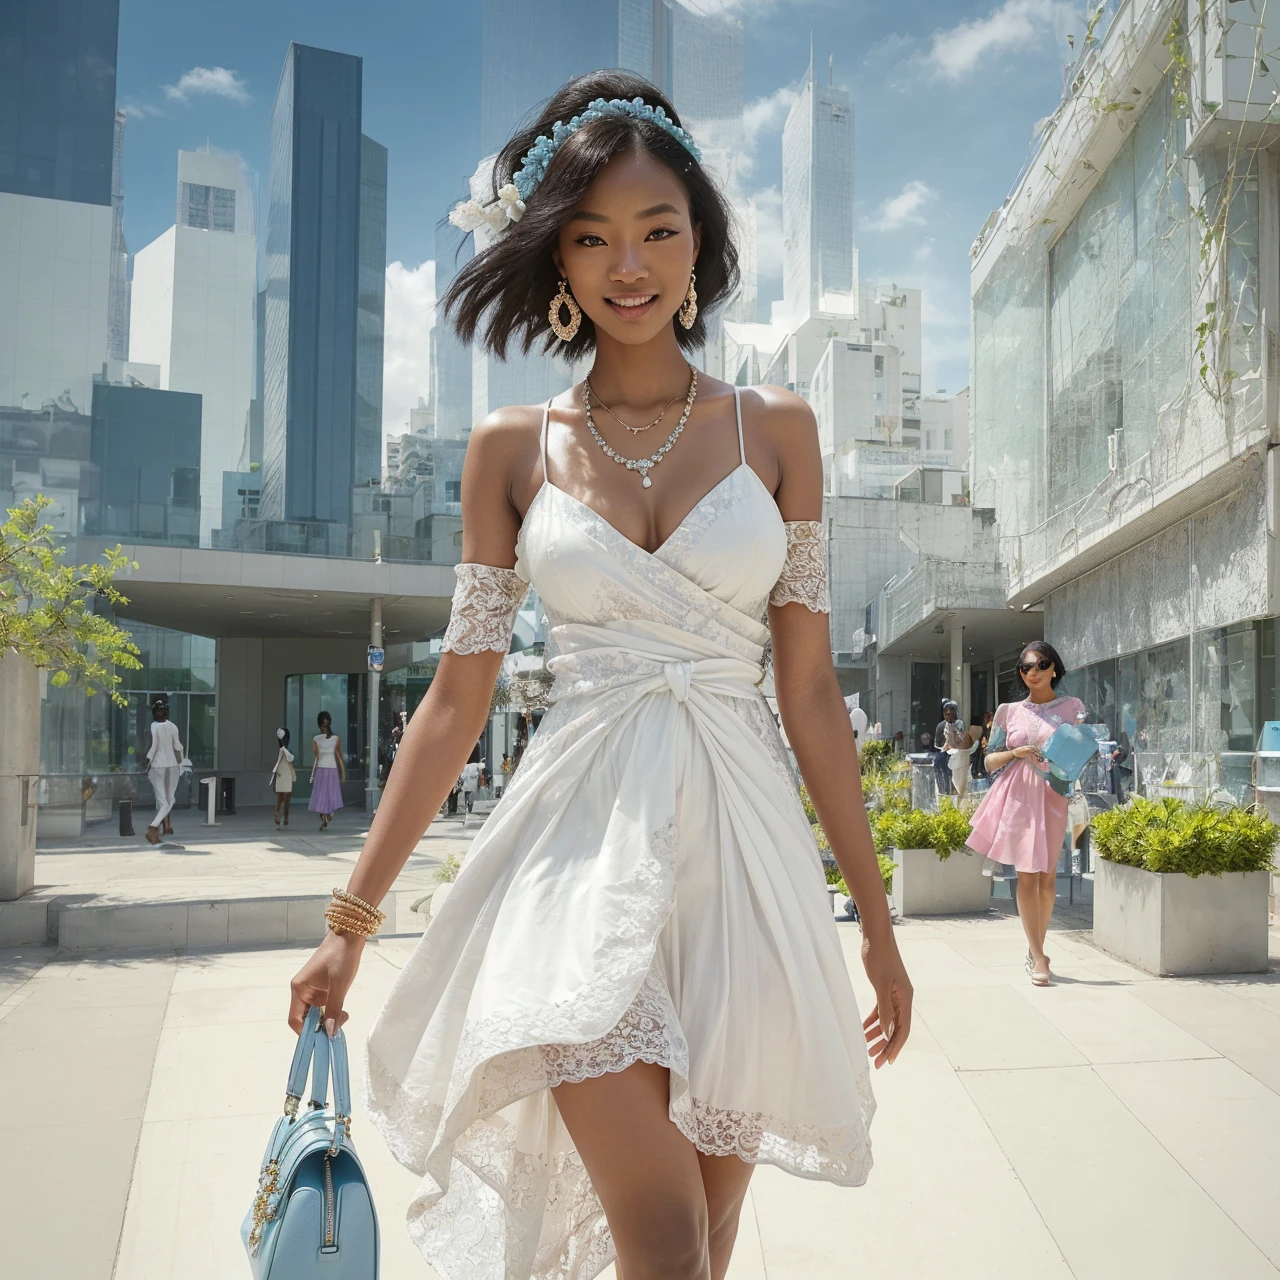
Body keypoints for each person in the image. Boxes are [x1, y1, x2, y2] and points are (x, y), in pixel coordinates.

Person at [287, 72, 910, 1280]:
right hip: (573, 858)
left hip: (742, 870)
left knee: (703, 1246)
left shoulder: (776, 429)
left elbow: (810, 695)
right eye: (591, 237)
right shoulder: (510, 449)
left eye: (657, 230)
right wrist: (348, 925)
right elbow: (455, 699)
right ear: (555, 258)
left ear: (699, 243)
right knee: (665, 1244)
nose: (629, 265)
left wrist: (875, 929)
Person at [966, 641, 1086, 986]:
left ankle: (1037, 949)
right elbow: (989, 761)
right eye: (1025, 667)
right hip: (1017, 796)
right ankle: (1039, 955)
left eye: (1040, 665)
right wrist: (1016, 752)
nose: (1032, 672)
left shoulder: (1073, 708)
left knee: (1048, 879)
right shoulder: (1009, 711)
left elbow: (1083, 753)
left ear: (1054, 668)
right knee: (1027, 877)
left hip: (1053, 795)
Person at [144, 697, 183, 845]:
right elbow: (178, 747)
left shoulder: (154, 726)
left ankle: (153, 828)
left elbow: (153, 746)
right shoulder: (173, 727)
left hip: (158, 766)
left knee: (163, 801)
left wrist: (147, 762)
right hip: (172, 766)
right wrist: (180, 763)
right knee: (169, 800)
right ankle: (157, 828)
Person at [308, 711, 345, 831]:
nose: (325, 727)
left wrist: (342, 773)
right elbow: (316, 757)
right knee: (323, 794)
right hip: (322, 769)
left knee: (329, 794)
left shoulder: (335, 738)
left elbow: (339, 756)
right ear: (320, 724)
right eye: (323, 724)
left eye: (326, 724)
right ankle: (324, 815)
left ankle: (326, 814)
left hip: (330, 769)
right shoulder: (316, 739)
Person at [270, 727, 296, 827]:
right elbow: (288, 760)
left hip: (284, 772)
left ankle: (283, 816)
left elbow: (288, 760)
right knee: (283, 796)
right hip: (283, 772)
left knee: (283, 796)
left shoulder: (285, 749)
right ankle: (280, 815)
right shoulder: (282, 749)